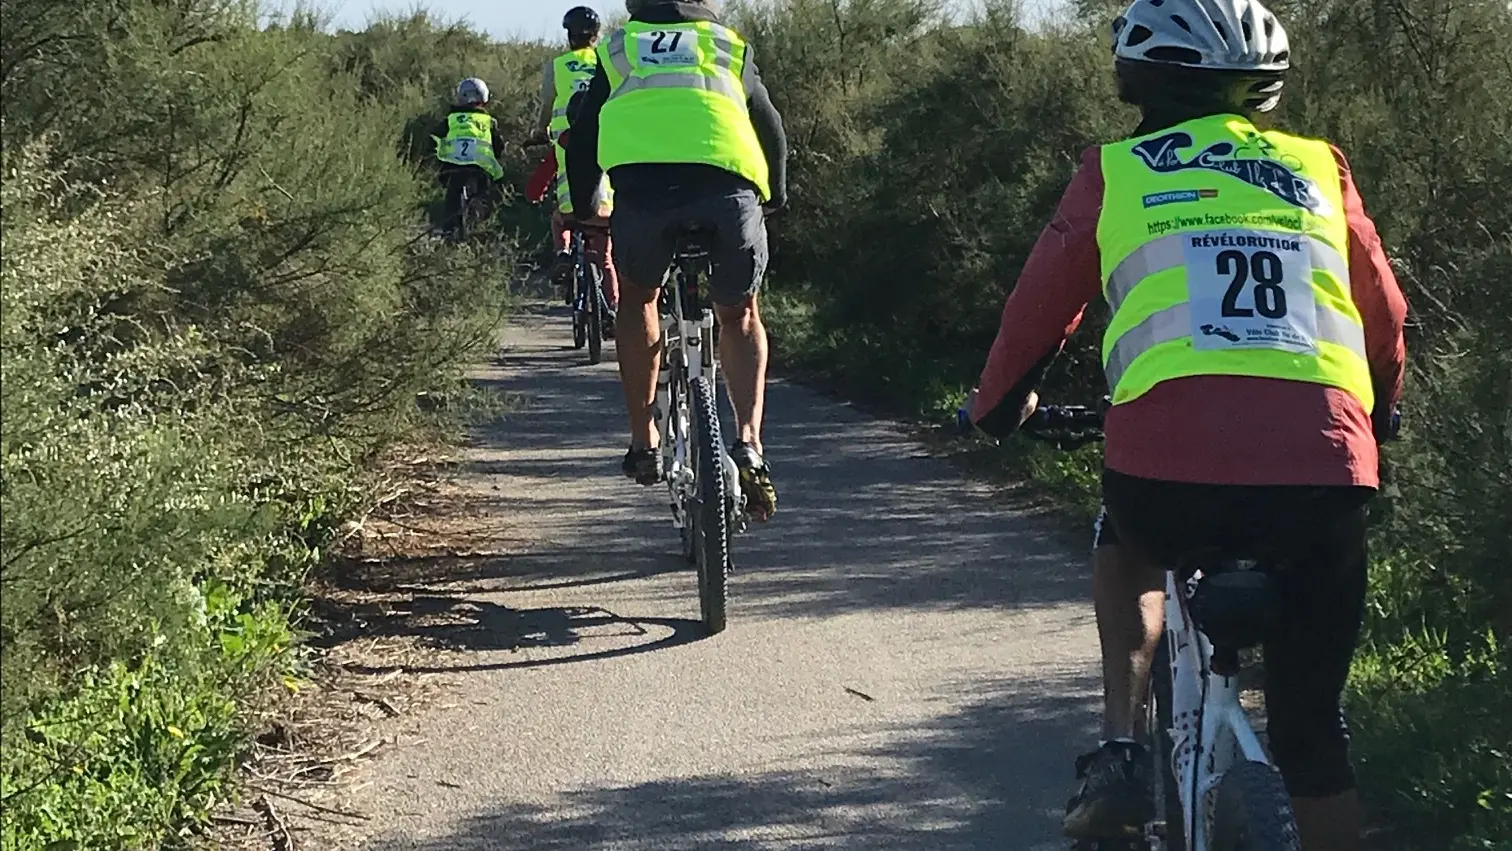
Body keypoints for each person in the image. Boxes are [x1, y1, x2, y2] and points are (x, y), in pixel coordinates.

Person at [966, 0, 1408, 848]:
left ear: (1140, 78)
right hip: (1324, 472)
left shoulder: (1118, 170)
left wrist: (997, 404)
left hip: (1166, 476)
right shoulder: (1321, 168)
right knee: (1314, 735)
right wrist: (1381, 412)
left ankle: (1122, 749)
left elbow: (1040, 308)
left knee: (1125, 534)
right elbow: (1382, 309)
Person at [566, 0, 789, 521]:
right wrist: (775, 194)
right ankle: (750, 443)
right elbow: (770, 124)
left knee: (639, 298)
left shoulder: (620, 46)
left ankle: (644, 441)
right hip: (727, 192)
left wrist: (583, 209)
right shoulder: (727, 44)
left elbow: (583, 136)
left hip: (644, 196)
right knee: (740, 313)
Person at [528, 6, 618, 312]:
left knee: (558, 216)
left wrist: (541, 131)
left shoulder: (558, 65)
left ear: (569, 36)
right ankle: (614, 311)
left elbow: (546, 103)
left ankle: (563, 252)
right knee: (605, 259)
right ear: (597, 36)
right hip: (607, 151)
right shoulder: (609, 59)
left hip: (565, 140)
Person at [431, 77, 506, 237]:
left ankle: (449, 230)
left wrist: (435, 155)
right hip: (481, 166)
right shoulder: (488, 121)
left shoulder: (451, 119)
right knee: (488, 191)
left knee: (451, 196)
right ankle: (485, 226)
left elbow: (434, 137)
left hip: (452, 166)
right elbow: (499, 145)